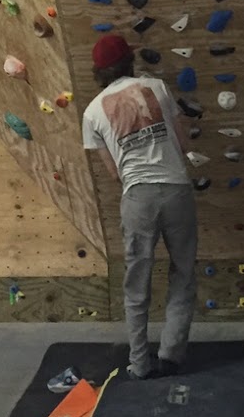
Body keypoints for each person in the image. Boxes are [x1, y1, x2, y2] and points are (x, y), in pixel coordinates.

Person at [81, 33, 197, 379]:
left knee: (137, 282)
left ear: (98, 71)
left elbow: (114, 173)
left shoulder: (91, 113)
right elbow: (183, 140)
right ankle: (171, 354)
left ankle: (140, 363)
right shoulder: (157, 88)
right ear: (130, 61)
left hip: (137, 197)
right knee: (183, 272)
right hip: (176, 189)